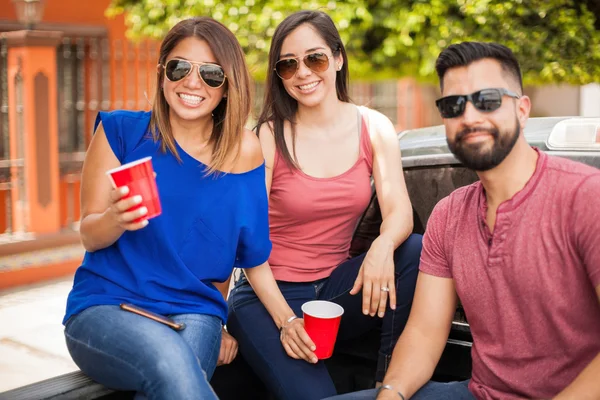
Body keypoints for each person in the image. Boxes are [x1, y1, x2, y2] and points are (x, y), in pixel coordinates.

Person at [326, 41, 600, 400]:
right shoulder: (449, 214)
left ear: (521, 109)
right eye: (453, 105)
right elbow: (424, 332)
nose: (469, 117)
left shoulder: (585, 198)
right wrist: (390, 394)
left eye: (487, 100)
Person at [62, 17, 272, 400]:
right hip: (108, 306)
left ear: (228, 87)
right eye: (180, 68)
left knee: (177, 376)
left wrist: (221, 319)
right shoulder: (120, 132)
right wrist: (116, 218)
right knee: (173, 361)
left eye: (211, 73)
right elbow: (89, 236)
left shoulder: (244, 151)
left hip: (194, 312)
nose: (193, 82)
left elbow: (232, 254)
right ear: (163, 75)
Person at [225, 10, 423, 400]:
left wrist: (382, 247)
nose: (303, 73)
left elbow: (399, 209)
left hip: (335, 295)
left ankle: (390, 380)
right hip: (268, 299)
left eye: (315, 58)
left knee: (412, 249)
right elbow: (245, 242)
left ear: (338, 58)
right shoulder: (267, 137)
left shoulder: (374, 127)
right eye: (288, 64)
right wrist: (286, 321)